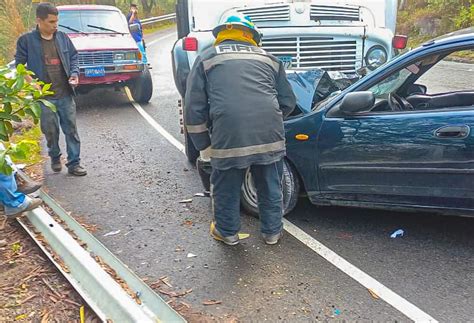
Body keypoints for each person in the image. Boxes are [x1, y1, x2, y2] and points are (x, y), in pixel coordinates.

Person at [184, 14, 296, 246]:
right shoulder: (271, 60)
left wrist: (203, 144)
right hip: (269, 134)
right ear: (252, 36)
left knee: (226, 185)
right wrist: (270, 120)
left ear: (221, 35)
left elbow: (194, 108)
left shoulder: (206, 58)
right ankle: (272, 232)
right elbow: (288, 102)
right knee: (270, 184)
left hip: (229, 134)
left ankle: (227, 232)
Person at [14, 2, 87, 176]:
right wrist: (31, 83)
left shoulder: (63, 37)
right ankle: (54, 156)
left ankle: (74, 163)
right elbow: (19, 66)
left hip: (65, 93)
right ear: (39, 20)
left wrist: (75, 74)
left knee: (71, 130)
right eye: (51, 22)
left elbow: (74, 58)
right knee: (50, 131)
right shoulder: (26, 41)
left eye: (57, 21)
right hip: (44, 97)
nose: (55, 25)